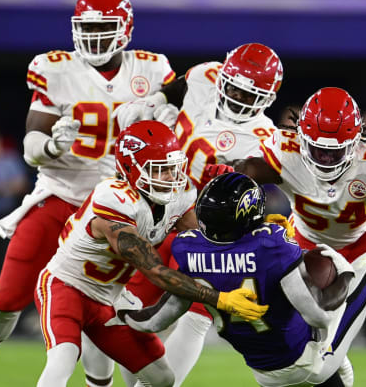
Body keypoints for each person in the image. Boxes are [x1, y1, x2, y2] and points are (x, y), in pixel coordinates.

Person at [0, 0, 186, 386]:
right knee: (7, 300)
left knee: (106, 305)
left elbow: (178, 108)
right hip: (61, 196)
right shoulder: (56, 69)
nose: (93, 37)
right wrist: (52, 145)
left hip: (122, 207)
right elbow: (31, 144)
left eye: (103, 28)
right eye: (86, 28)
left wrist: (160, 104)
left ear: (125, 29)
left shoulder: (152, 68)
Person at [114, 172, 366, 387]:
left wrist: (122, 314)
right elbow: (318, 315)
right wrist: (343, 275)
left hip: (262, 369)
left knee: (343, 373)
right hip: (303, 360)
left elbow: (156, 319)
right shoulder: (269, 247)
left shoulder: (188, 251)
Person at [208, 87, 366, 387]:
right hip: (306, 236)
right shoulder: (284, 150)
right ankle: (327, 362)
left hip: (364, 232)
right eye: (318, 149)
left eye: (335, 150)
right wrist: (226, 173)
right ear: (301, 137)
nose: (326, 158)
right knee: (299, 312)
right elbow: (248, 170)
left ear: (355, 141)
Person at [34, 121, 268, 387]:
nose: (171, 176)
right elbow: (156, 271)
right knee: (62, 358)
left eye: (173, 167)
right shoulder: (113, 199)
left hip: (108, 301)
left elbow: (210, 240)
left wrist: (243, 212)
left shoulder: (177, 197)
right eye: (160, 170)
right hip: (67, 286)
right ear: (131, 170)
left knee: (163, 378)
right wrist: (220, 299)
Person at [116, 42, 283, 387]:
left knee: (196, 316)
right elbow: (178, 87)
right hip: (160, 211)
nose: (238, 97)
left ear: (268, 98)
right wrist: (157, 102)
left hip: (213, 232)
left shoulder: (266, 140)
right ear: (223, 76)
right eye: (234, 86)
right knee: (127, 309)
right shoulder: (205, 75)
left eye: (251, 94)